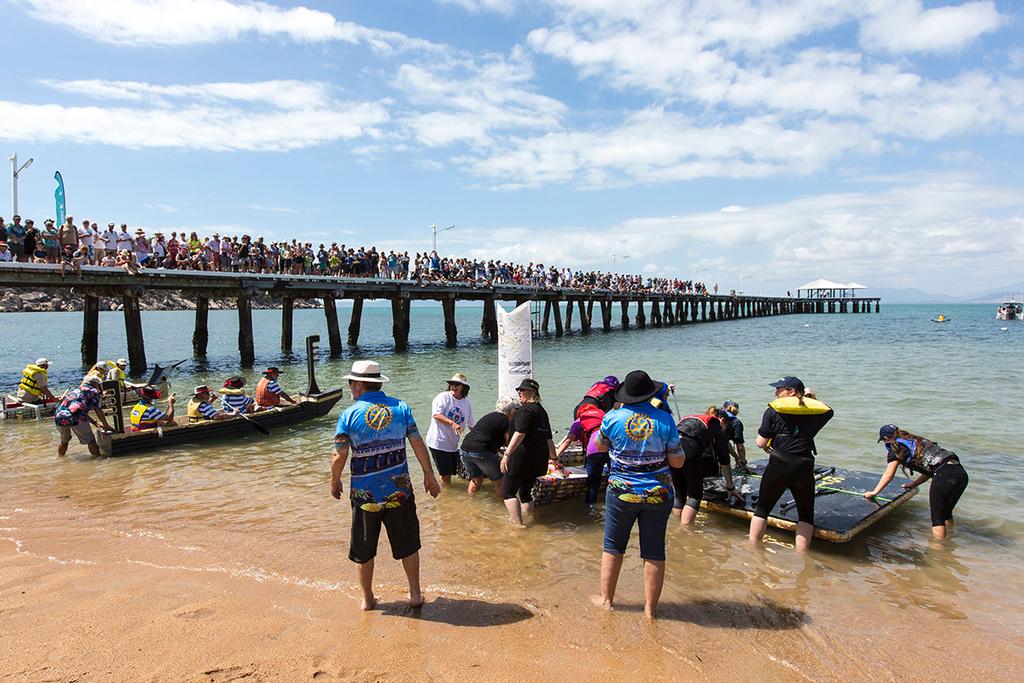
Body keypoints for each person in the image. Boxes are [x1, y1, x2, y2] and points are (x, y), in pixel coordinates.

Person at [331, 359, 440, 610]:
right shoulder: (401, 408)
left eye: (350, 383)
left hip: (364, 495)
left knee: (364, 547)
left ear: (358, 385)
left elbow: (339, 454)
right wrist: (429, 475)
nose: (350, 387)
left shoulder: (348, 415)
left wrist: (334, 481)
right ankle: (414, 594)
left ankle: (367, 599)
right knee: (408, 543)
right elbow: (417, 442)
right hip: (399, 491)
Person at [591, 370, 683, 618]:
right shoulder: (665, 420)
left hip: (621, 491)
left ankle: (607, 600)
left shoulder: (612, 417)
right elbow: (677, 462)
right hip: (658, 493)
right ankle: (650, 610)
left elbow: (598, 446)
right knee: (653, 550)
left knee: (613, 547)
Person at [748, 376, 833, 552]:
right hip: (804, 465)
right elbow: (829, 411)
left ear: (792, 392)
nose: (776, 392)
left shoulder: (772, 411)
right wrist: (811, 398)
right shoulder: (815, 413)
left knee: (762, 509)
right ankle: (802, 557)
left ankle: (753, 550)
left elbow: (760, 443)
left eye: (780, 389)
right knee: (806, 515)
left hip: (779, 464)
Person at [865, 424, 969, 540]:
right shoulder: (917, 442)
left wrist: (874, 492)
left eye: (883, 441)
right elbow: (929, 470)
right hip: (961, 474)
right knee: (946, 513)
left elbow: (889, 474)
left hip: (944, 476)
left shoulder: (896, 447)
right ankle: (950, 541)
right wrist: (913, 484)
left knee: (937, 519)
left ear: (885, 438)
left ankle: (939, 550)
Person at [500, 379, 556, 525]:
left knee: (507, 492)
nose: (519, 393)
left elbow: (520, 433)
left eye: (522, 390)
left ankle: (518, 526)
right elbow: (548, 438)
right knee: (525, 493)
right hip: (538, 460)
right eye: (518, 390)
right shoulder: (542, 411)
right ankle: (533, 521)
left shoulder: (525, 409)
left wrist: (506, 455)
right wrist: (554, 458)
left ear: (531, 393)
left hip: (521, 458)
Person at [673, 407, 741, 528]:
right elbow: (725, 462)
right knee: (695, 495)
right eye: (726, 426)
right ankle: (685, 530)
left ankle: (677, 527)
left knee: (680, 495)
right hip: (689, 452)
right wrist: (730, 488)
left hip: (672, 452)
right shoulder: (716, 425)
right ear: (722, 420)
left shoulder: (692, 418)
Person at [425, 373, 475, 486]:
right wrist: (452, 423)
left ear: (464, 387)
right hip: (438, 442)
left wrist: (482, 438)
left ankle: (449, 496)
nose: (453, 386)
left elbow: (472, 425)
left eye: (457, 384)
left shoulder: (467, 403)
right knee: (445, 475)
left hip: (452, 444)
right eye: (452, 384)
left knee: (454, 473)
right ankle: (444, 497)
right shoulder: (443, 397)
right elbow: (436, 415)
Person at [460, 397, 517, 496]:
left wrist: (498, 450)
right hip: (481, 452)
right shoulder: (506, 420)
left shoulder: (489, 416)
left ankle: (471, 503)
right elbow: (510, 442)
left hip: (465, 449)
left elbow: (486, 435)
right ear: (510, 410)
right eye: (515, 409)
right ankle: (502, 506)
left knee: (476, 479)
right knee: (500, 481)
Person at [54, 376, 113, 457]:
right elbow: (98, 410)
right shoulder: (93, 391)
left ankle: (61, 459)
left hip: (59, 416)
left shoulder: (74, 391)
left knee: (64, 440)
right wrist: (106, 425)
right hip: (75, 417)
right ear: (95, 384)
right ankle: (98, 460)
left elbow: (79, 410)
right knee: (91, 440)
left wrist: (94, 422)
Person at [719, 400, 748, 470]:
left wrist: (736, 457)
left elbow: (725, 442)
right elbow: (740, 447)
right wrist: (743, 463)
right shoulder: (737, 423)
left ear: (723, 408)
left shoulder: (717, 417)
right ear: (736, 411)